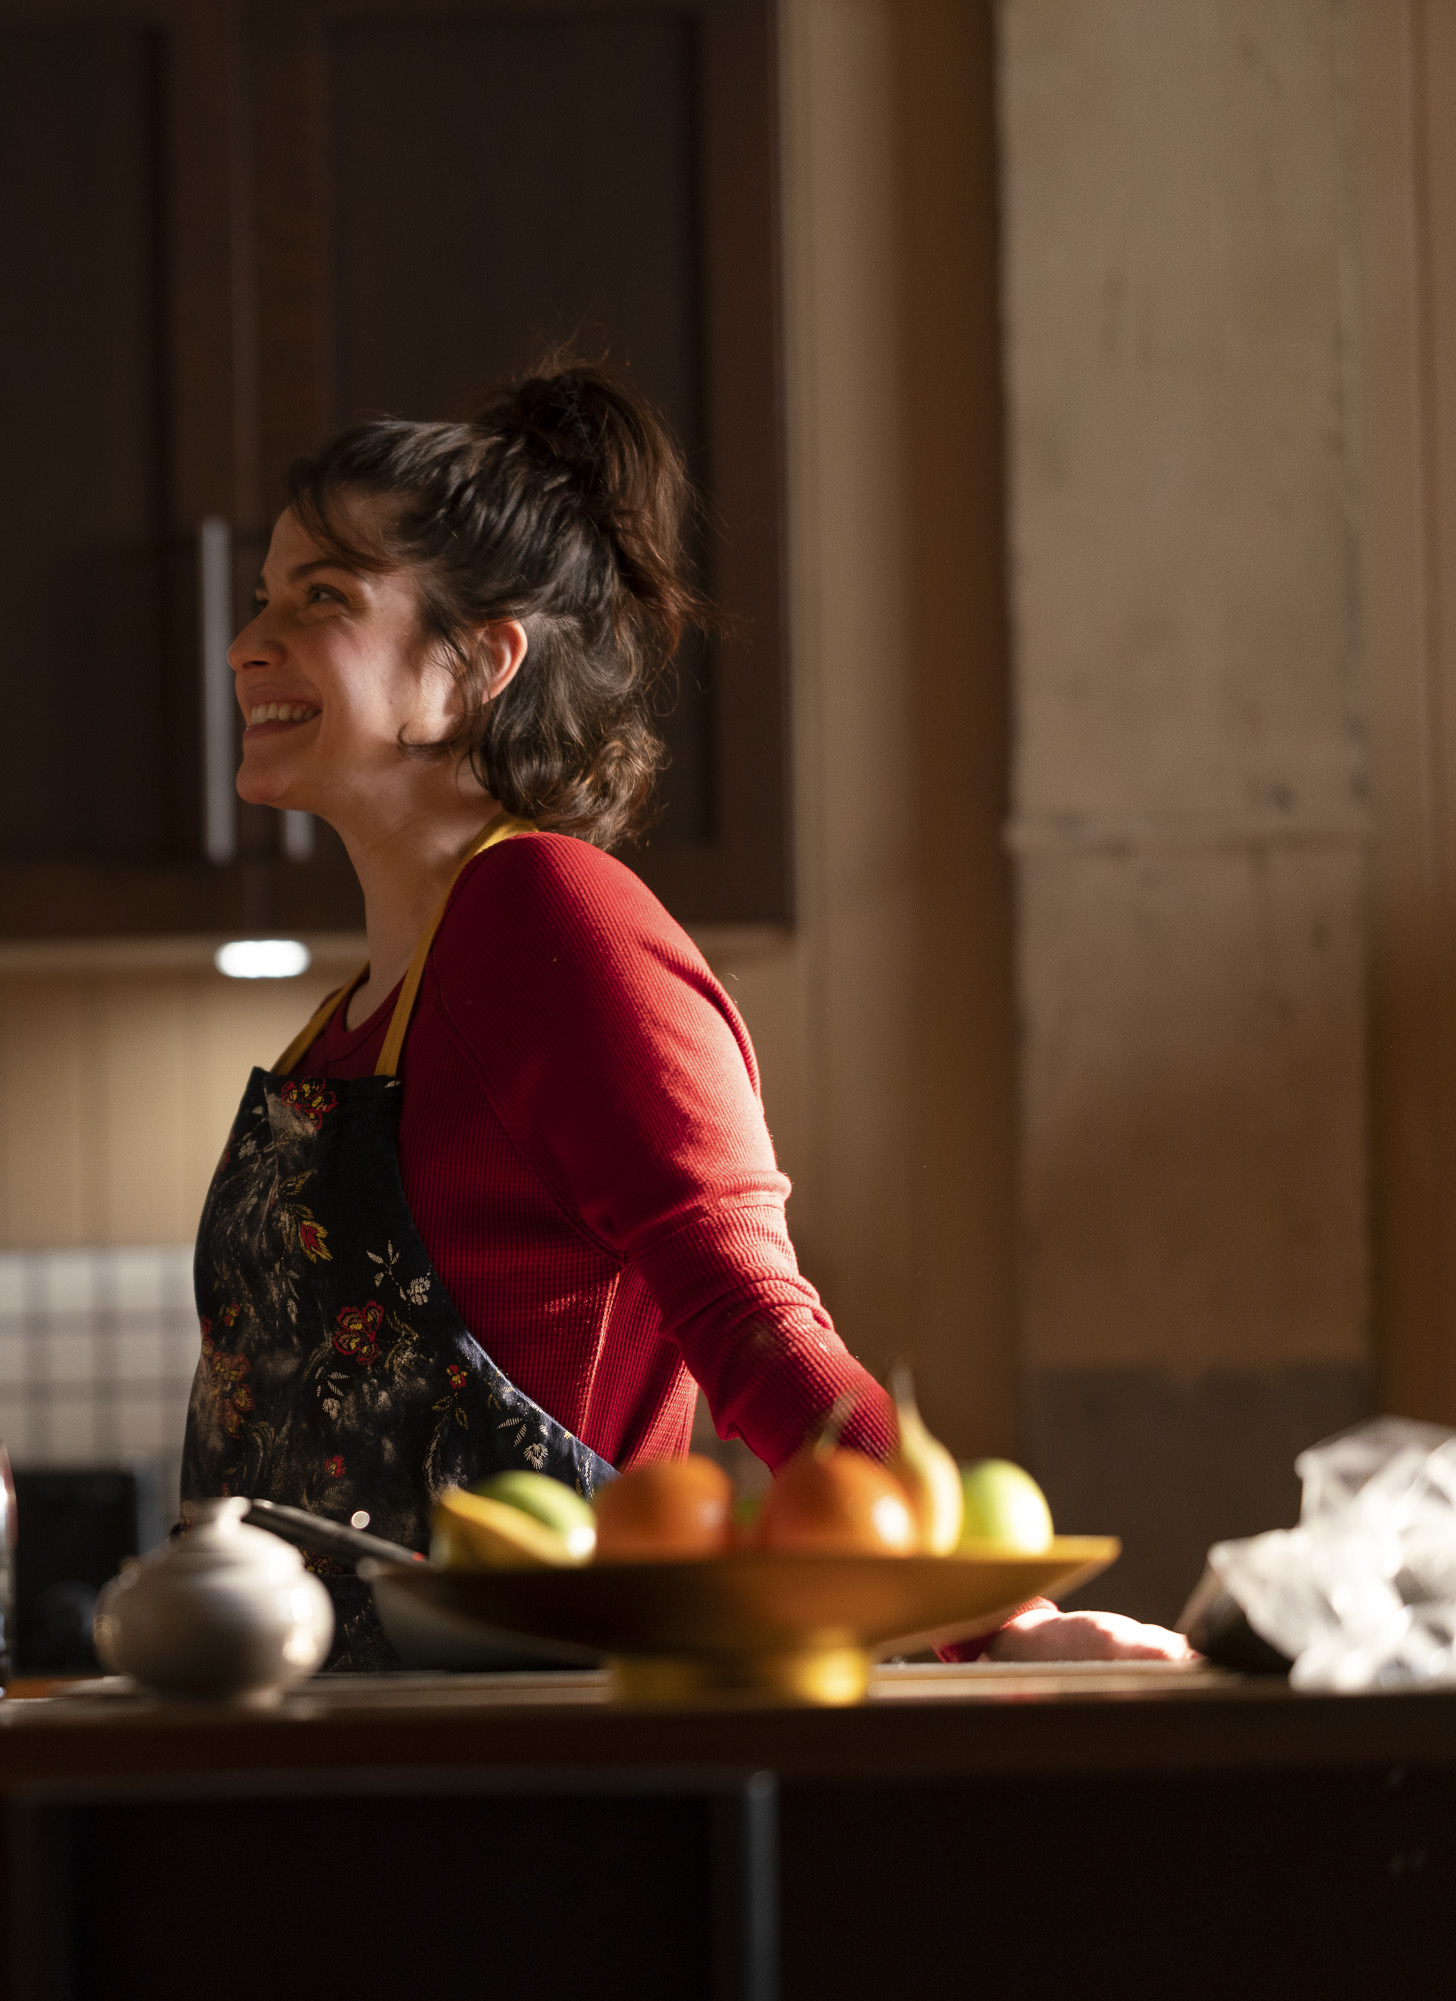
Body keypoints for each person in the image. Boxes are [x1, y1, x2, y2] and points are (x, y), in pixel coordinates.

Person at [185, 366, 1184, 1670]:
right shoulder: (348, 1021)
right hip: (330, 1754)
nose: (246, 640)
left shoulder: (555, 924)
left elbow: (753, 1320)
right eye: (263, 595)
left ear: (479, 662)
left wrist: (999, 1626)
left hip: (524, 1766)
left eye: (321, 597)